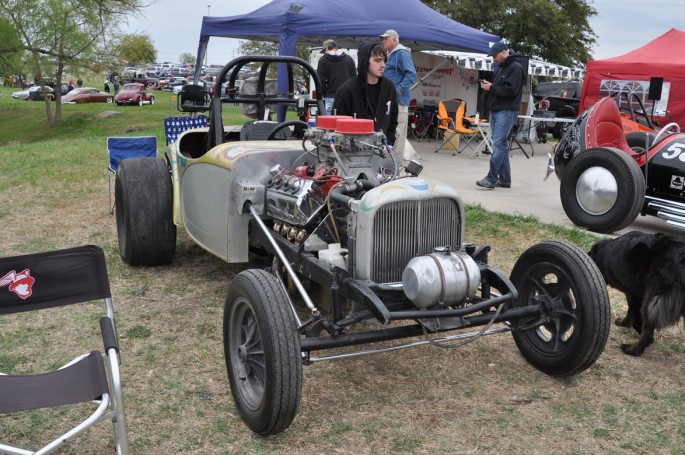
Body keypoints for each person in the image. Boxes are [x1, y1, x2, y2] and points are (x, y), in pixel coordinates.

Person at [476, 41, 525, 189]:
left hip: (507, 111)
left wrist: (492, 88)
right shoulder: (502, 68)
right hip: (497, 110)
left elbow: (512, 91)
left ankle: (491, 178)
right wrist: (490, 86)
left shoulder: (516, 68)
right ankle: (505, 179)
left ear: (504, 52)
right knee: (501, 145)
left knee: (498, 144)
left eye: (495, 56)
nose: (494, 59)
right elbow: (501, 88)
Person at [333, 41, 399, 148]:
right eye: (377, 60)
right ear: (365, 61)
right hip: (354, 152)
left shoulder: (389, 87)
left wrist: (389, 142)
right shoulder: (347, 90)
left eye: (384, 61)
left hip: (381, 149)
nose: (383, 65)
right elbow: (337, 126)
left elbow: (393, 119)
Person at [380, 29, 418, 162]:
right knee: (391, 132)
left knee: (397, 133)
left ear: (395, 40)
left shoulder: (401, 53)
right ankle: (390, 164)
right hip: (391, 101)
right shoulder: (390, 54)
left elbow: (411, 74)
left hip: (399, 101)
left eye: (386, 38)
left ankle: (395, 165)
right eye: (383, 39)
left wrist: (398, 90)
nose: (383, 41)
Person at [316, 39, 356, 115]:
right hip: (347, 97)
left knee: (330, 124)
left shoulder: (323, 60)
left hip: (331, 97)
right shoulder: (349, 59)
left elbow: (321, 82)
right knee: (346, 123)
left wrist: (324, 95)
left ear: (327, 49)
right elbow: (354, 78)